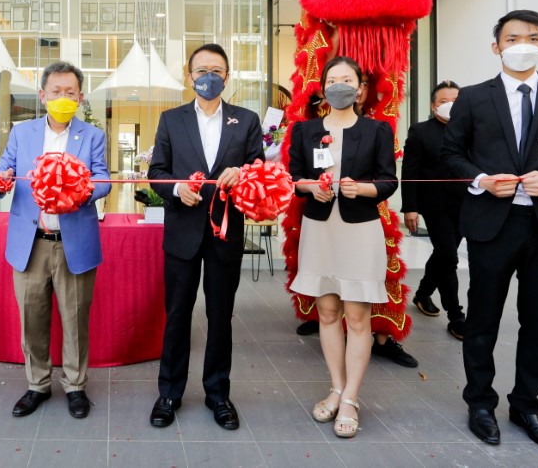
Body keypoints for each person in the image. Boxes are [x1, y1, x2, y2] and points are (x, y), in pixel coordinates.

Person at [441, 10, 538, 453]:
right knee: (483, 319)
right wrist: (480, 180)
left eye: (532, 37)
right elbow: (452, 154)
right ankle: (480, 403)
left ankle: (528, 405)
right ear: (496, 46)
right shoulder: (472, 97)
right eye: (512, 38)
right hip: (493, 223)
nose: (522, 44)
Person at [147, 43, 264, 431]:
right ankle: (169, 393)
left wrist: (243, 174)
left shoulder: (246, 121)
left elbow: (259, 168)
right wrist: (177, 189)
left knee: (220, 317)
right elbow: (157, 173)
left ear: (227, 77)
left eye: (216, 70)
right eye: (201, 70)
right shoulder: (171, 119)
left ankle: (218, 394)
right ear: (189, 74)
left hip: (225, 234)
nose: (208, 76)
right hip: (182, 231)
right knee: (177, 315)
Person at [0, 61, 111, 420]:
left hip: (74, 239)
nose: (62, 97)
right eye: (55, 91)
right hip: (30, 242)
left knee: (75, 318)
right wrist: (0, 180)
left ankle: (75, 386)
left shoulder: (92, 136)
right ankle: (37, 384)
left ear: (80, 97)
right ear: (43, 96)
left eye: (70, 92)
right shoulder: (22, 133)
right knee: (32, 317)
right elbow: (1, 169)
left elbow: (103, 178)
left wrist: (83, 189)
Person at [289, 56, 398, 439]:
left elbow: (388, 181)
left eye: (347, 79)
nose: (340, 85)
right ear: (321, 86)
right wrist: (310, 188)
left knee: (357, 316)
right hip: (320, 228)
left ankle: (352, 397)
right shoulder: (305, 130)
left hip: (359, 229)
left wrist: (362, 188)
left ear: (359, 87)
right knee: (329, 311)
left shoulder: (376, 131)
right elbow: (293, 178)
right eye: (332, 79)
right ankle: (336, 387)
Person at [401, 80, 467, 339]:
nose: (450, 105)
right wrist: (410, 208)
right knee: (449, 257)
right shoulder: (420, 131)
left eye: (455, 100)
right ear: (433, 105)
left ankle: (423, 293)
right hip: (434, 205)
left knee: (442, 254)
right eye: (443, 101)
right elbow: (410, 171)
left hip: (466, 204)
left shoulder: (472, 130)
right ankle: (456, 315)